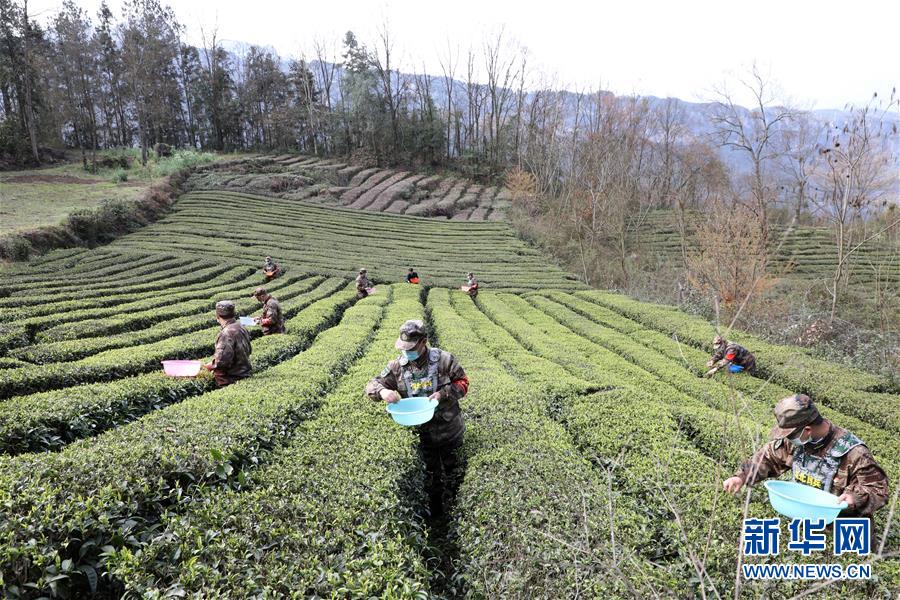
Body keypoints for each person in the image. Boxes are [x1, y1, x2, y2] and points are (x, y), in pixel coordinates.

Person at [723, 394, 889, 518]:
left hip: (841, 529)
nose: (788, 439)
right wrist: (741, 477)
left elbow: (878, 490)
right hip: (803, 520)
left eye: (790, 435)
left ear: (807, 430)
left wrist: (855, 497)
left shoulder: (854, 452)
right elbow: (767, 458)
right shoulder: (795, 442)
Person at [366, 319, 470, 517]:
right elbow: (372, 385)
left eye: (411, 348)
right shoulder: (397, 367)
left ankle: (457, 513)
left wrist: (443, 394)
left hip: (449, 430)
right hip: (421, 435)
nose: (407, 352)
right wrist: (382, 392)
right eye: (404, 348)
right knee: (431, 478)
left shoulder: (444, 360)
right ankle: (436, 514)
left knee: (455, 473)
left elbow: (463, 382)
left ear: (424, 341)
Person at [202, 300, 252, 387]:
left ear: (217, 315)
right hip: (244, 373)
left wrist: (204, 367)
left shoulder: (226, 333)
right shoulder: (241, 327)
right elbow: (249, 350)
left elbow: (221, 362)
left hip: (230, 379)